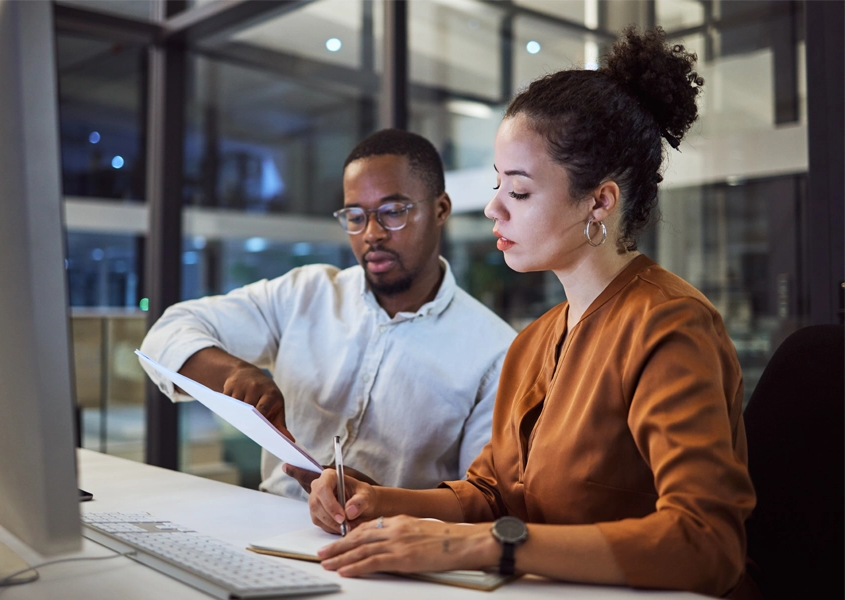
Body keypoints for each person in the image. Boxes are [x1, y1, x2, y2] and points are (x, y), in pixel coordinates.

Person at [307, 27, 757, 598]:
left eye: (518, 192)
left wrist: (483, 545)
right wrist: (377, 501)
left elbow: (705, 544)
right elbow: (494, 494)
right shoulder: (536, 340)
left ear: (600, 200)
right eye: (498, 186)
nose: (494, 206)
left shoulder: (670, 326)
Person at [139, 129, 517, 501]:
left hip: (392, 544)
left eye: (392, 212)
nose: (372, 233)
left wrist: (380, 499)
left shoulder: (496, 352)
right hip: (269, 522)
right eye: (355, 216)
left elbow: (482, 500)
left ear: (440, 210)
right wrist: (233, 373)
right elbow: (166, 334)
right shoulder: (304, 294)